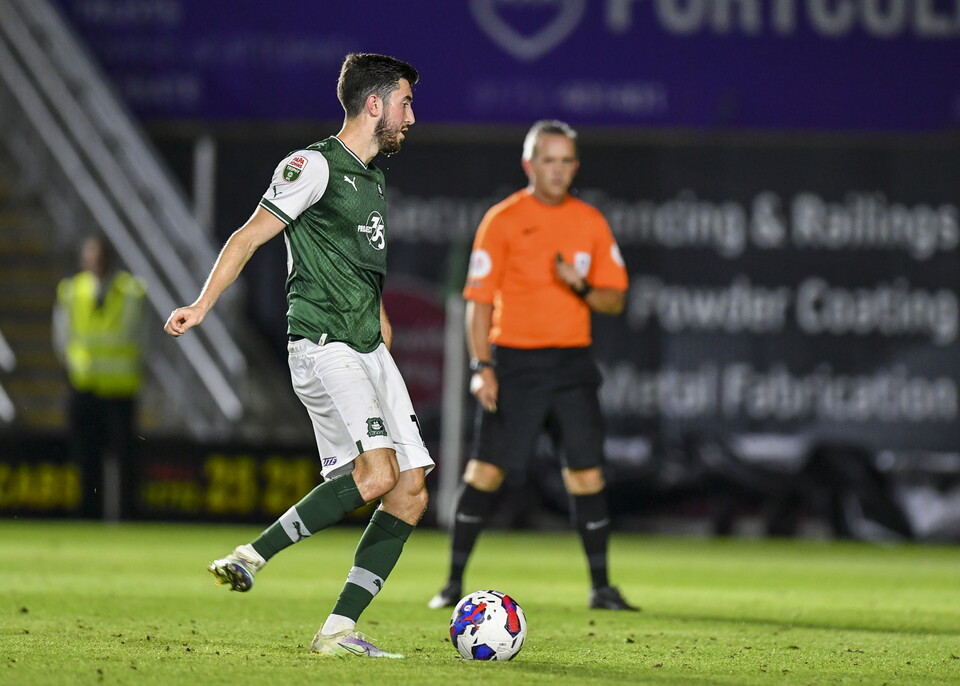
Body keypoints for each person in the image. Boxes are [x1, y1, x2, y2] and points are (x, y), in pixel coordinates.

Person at [163, 53, 432, 658]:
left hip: (364, 343)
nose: (412, 116)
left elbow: (359, 268)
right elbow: (248, 234)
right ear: (374, 105)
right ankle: (251, 555)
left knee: (411, 489)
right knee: (377, 476)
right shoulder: (312, 165)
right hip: (322, 344)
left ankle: (338, 631)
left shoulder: (373, 179)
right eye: (406, 102)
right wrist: (202, 305)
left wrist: (381, 316)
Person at [428, 120, 636, 612]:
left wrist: (579, 286)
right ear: (529, 165)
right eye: (549, 160)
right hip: (516, 364)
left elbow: (615, 300)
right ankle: (452, 584)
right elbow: (478, 302)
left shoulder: (590, 221)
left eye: (566, 161)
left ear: (575, 167)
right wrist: (482, 366)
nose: (558, 170)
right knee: (485, 473)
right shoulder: (502, 220)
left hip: (571, 366)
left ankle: (602, 588)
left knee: (586, 476)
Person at [53, 235, 147, 520]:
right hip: (85, 386)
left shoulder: (131, 290)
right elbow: (62, 337)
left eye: (99, 255)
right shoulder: (71, 291)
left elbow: (144, 339)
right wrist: (75, 366)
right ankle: (87, 515)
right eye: (90, 255)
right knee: (85, 457)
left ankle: (128, 516)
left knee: (125, 458)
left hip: (120, 388)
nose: (95, 261)